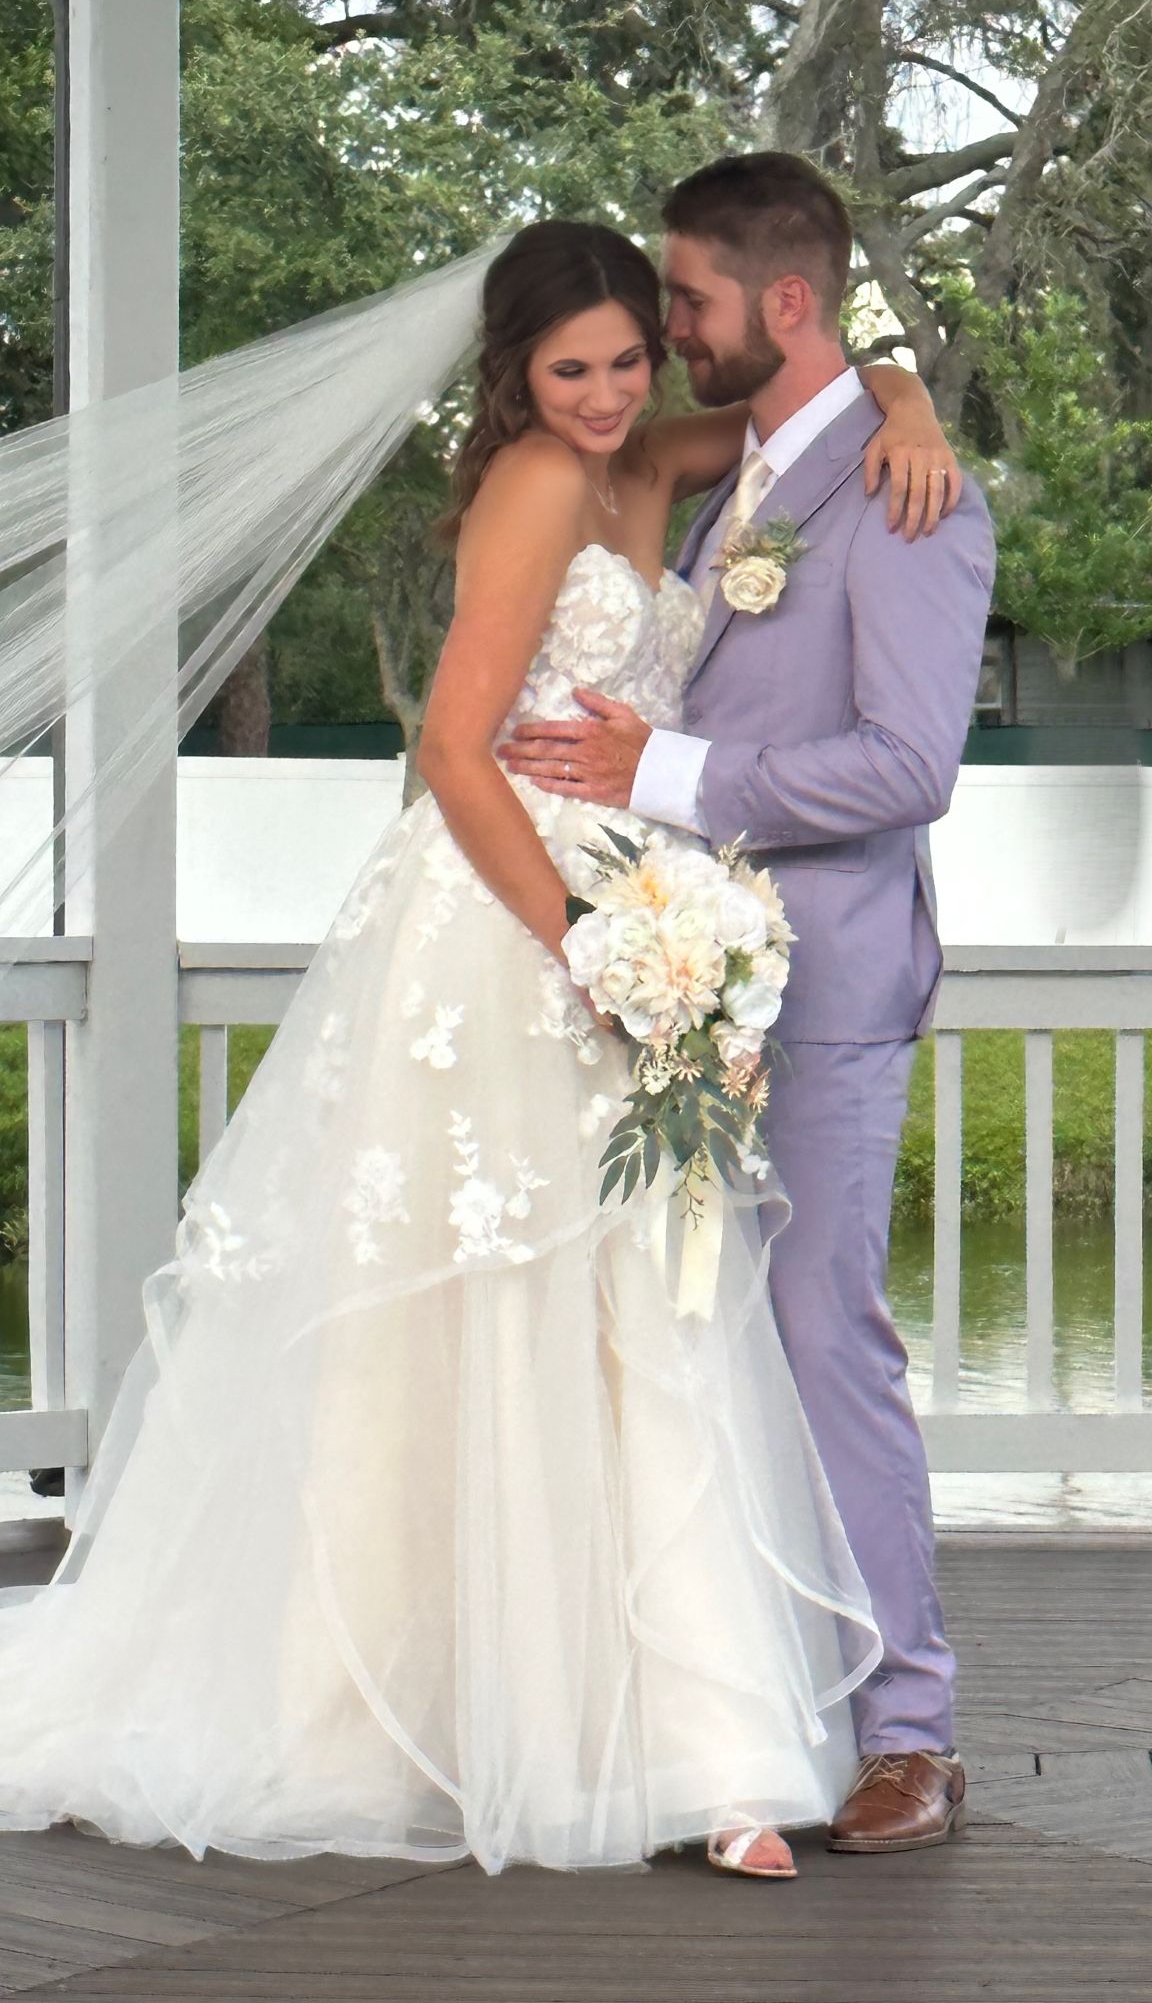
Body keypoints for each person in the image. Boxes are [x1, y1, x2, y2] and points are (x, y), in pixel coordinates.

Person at [0, 213, 956, 1880]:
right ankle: (416, 1717)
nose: (605, 394)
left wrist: (914, 400)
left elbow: (822, 388)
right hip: (514, 923)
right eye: (568, 370)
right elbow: (453, 749)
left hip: (636, 913)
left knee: (639, 1315)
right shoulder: (528, 484)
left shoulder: (660, 456)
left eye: (629, 358)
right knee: (491, 1309)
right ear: (514, 372)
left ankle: (688, 1745)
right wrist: (586, 943)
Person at [501, 156, 997, 1863]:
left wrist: (668, 772)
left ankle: (913, 1732)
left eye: (690, 299)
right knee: (691, 1340)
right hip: (689, 980)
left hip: (831, 981)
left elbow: (909, 766)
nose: (668, 326)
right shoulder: (748, 473)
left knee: (821, 1331)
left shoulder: (912, 499)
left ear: (783, 302)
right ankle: (737, 1708)